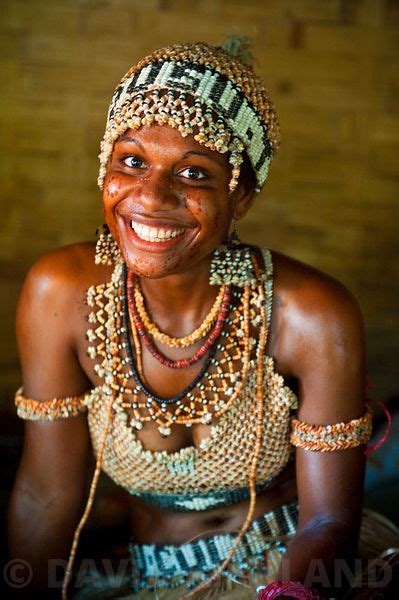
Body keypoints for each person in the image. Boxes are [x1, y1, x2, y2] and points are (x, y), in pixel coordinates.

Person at [8, 40, 391, 600]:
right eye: (132, 161)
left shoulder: (312, 313)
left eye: (194, 173)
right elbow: (45, 492)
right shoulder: (60, 293)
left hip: (291, 571)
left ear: (242, 197)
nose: (150, 196)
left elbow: (327, 522)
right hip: (151, 577)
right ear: (104, 169)